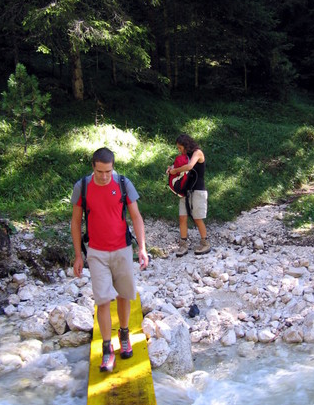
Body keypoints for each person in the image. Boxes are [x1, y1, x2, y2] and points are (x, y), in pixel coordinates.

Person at [71, 147, 149, 372]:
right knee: (103, 300)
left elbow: (136, 217)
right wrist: (78, 255)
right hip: (96, 252)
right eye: (100, 172)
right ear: (93, 167)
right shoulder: (82, 187)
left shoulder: (123, 183)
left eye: (108, 171)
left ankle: (124, 335)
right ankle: (107, 348)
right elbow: (75, 223)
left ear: (113, 167)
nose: (104, 176)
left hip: (123, 249)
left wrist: (142, 249)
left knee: (125, 295)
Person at [166, 133, 211, 257]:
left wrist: (176, 170)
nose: (179, 150)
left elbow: (190, 166)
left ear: (186, 145)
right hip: (186, 191)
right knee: (182, 217)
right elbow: (180, 165)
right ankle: (183, 244)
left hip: (198, 190)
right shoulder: (185, 156)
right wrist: (171, 169)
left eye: (180, 148)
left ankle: (205, 243)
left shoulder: (198, 153)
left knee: (197, 217)